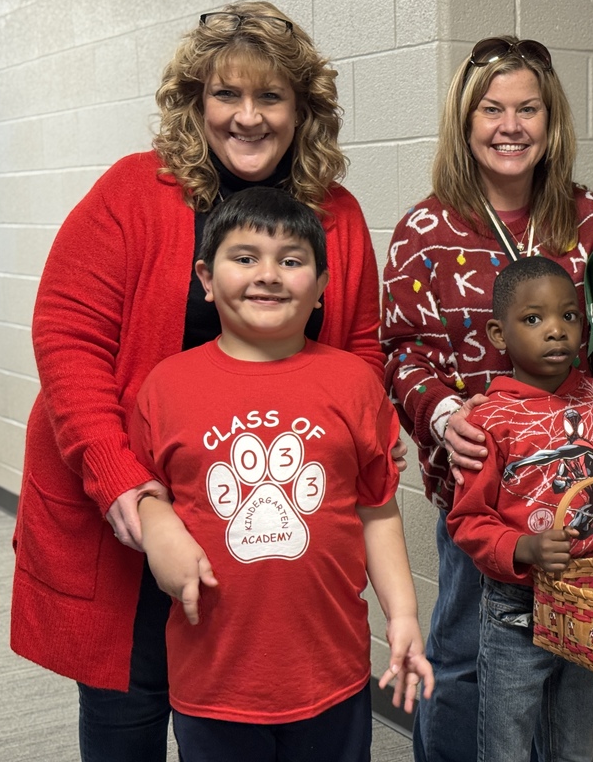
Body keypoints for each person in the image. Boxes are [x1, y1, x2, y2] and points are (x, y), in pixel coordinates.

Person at [10, 3, 399, 761]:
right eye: (226, 95)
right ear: (195, 102)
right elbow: (68, 343)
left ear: (303, 109)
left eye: (271, 97)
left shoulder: (338, 217)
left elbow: (360, 355)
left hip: (265, 524)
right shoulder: (132, 193)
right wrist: (130, 490)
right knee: (131, 706)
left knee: (245, 718)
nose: (247, 117)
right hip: (131, 511)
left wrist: (360, 446)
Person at [381, 36, 593, 762]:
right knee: (468, 656)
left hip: (573, 492)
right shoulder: (425, 229)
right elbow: (402, 349)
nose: (511, 125)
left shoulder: (588, 219)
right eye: (492, 109)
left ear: (550, 118)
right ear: (466, 123)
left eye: (528, 108)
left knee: (561, 661)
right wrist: (442, 415)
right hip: (483, 488)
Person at [129, 187, 433, 762]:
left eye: (291, 261)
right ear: (205, 278)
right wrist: (155, 520)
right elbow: (144, 488)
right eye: (244, 258)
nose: (268, 274)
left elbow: (377, 511)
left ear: (321, 288)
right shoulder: (166, 387)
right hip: (213, 681)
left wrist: (404, 615)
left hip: (331, 673)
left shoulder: (354, 384)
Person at [445, 256, 593, 762]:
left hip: (586, 598)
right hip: (515, 609)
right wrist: (523, 546)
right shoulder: (487, 420)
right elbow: (467, 521)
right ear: (499, 334)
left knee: (572, 744)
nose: (556, 332)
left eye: (569, 317)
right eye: (534, 319)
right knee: (507, 747)